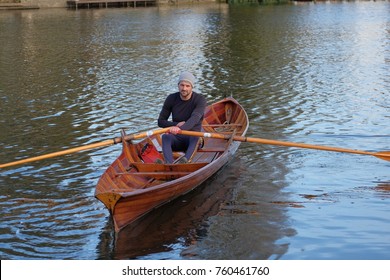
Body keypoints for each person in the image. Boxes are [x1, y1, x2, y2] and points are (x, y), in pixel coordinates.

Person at [157, 71, 207, 163]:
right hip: (177, 138)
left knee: (195, 138)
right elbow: (160, 122)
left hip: (193, 138)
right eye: (182, 85)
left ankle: (185, 162)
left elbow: (194, 119)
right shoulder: (171, 98)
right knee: (165, 137)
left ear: (192, 87)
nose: (184, 88)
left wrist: (179, 129)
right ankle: (168, 164)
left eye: (187, 86)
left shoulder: (200, 100)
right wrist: (175, 125)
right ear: (178, 85)